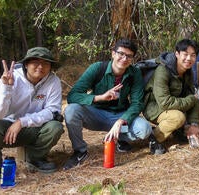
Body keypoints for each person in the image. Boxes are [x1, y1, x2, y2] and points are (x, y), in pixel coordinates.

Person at [0, 47, 64, 192]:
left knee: (55, 127)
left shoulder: (53, 81)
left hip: (32, 128)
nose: (40, 67)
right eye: (35, 62)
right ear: (26, 64)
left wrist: (22, 122)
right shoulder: (11, 77)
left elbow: (52, 111)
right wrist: (6, 89)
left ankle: (34, 158)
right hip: (5, 129)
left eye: (46, 63)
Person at [63, 39, 152, 170]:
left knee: (144, 129)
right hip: (96, 115)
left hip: (120, 115)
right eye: (121, 54)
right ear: (113, 53)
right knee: (71, 110)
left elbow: (137, 103)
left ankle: (121, 139)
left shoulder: (134, 73)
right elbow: (73, 95)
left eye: (129, 56)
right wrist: (100, 97)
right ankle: (80, 151)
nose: (124, 58)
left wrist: (122, 121)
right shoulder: (97, 68)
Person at [143, 39, 199, 153]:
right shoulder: (163, 71)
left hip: (176, 104)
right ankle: (154, 137)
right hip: (154, 107)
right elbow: (165, 103)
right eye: (185, 54)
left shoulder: (187, 71)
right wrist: (191, 99)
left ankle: (178, 130)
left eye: (192, 55)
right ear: (176, 54)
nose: (188, 59)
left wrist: (194, 124)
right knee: (178, 117)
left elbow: (193, 98)